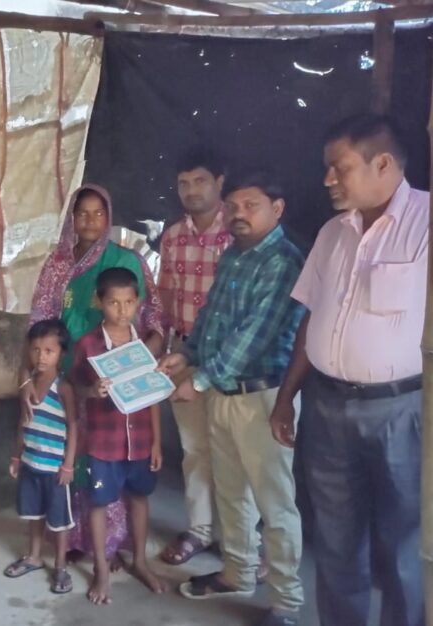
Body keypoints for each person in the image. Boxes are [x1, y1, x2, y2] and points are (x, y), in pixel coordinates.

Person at [270, 114, 428, 626]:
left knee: (403, 546)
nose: (328, 179)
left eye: (339, 168)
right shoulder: (333, 233)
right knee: (336, 543)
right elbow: (312, 317)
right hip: (327, 406)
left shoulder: (426, 224)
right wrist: (286, 397)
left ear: (382, 164)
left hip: (402, 412)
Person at [161, 171, 305, 626]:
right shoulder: (233, 255)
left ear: (276, 209)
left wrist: (199, 379)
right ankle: (237, 573)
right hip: (224, 392)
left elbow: (254, 336)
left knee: (275, 504)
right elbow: (211, 316)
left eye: (251, 206)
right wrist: (186, 355)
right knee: (231, 493)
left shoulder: (283, 261)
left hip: (262, 398)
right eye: (234, 206)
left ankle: (286, 603)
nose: (239, 214)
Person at [26, 184, 165, 567]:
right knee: (72, 453)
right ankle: (73, 537)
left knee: (110, 457)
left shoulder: (126, 260)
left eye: (98, 213)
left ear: (109, 217)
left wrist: (144, 355)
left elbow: (153, 313)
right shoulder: (57, 264)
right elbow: (40, 319)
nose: (90, 221)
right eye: (82, 213)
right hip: (68, 374)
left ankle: (110, 544)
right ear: (71, 218)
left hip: (118, 373)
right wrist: (36, 374)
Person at [70, 267, 165, 603]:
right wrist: (91, 391)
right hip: (103, 443)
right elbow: (75, 385)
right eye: (113, 303)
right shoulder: (88, 345)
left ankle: (140, 562)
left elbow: (152, 394)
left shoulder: (144, 346)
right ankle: (100, 568)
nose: (122, 310)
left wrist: (157, 441)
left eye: (129, 302)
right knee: (99, 502)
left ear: (138, 302)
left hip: (140, 441)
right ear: (99, 302)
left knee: (139, 497)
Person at [157, 147, 232, 566]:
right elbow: (166, 297)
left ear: (220, 181)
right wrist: (166, 349)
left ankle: (239, 541)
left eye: (200, 180)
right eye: (183, 183)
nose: (191, 190)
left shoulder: (238, 232)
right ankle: (200, 531)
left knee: (234, 453)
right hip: (184, 354)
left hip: (231, 361)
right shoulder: (172, 237)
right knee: (195, 450)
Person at [3, 319, 78, 595]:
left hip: (55, 469)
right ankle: (34, 557)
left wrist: (68, 465)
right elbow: (22, 423)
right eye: (36, 350)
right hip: (30, 463)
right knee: (34, 514)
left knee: (58, 521)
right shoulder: (28, 384)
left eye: (49, 351)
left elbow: (73, 426)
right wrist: (16, 456)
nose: (41, 357)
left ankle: (60, 566)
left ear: (61, 354)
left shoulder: (63, 388)